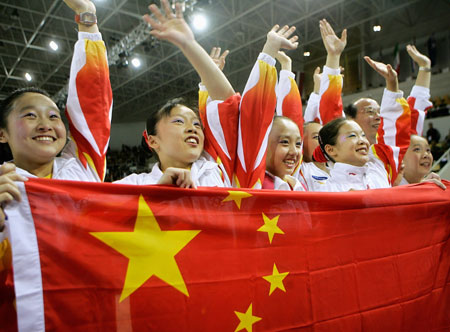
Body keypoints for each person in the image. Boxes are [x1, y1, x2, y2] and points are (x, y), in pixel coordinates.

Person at [116, 0, 236, 188]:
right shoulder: (134, 185)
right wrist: (157, 193)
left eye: (197, 124)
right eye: (179, 121)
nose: (192, 128)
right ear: (152, 140)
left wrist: (188, 44)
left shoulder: (217, 169)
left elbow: (228, 103)